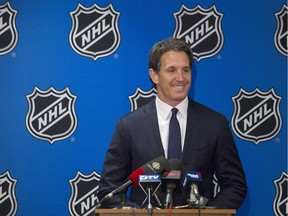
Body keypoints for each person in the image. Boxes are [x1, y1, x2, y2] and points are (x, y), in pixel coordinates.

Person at [97, 38, 247, 210]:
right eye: (171, 70)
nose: (181, 78)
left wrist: (205, 214)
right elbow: (109, 190)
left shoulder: (214, 124)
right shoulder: (128, 126)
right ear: (154, 75)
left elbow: (235, 186)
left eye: (186, 70)